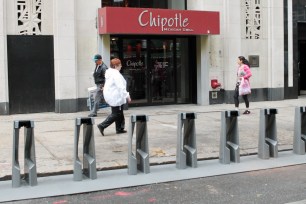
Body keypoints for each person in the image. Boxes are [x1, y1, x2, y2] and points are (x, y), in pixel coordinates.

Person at [97, 58, 131, 136]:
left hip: (112, 96)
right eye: (120, 65)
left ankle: (119, 128)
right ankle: (102, 125)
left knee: (120, 112)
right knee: (116, 114)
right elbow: (120, 87)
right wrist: (127, 96)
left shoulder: (110, 73)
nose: (121, 66)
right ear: (116, 66)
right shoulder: (116, 74)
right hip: (116, 97)